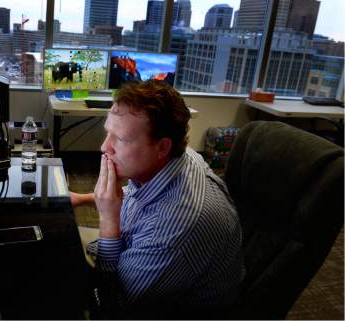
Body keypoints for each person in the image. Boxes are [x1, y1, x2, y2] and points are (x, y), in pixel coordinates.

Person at [70, 80, 245, 318]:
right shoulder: (177, 157)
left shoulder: (174, 229)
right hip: (140, 252)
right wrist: (84, 198)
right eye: (107, 133)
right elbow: (134, 195)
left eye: (119, 139)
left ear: (162, 147)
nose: (104, 147)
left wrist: (108, 218)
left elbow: (114, 303)